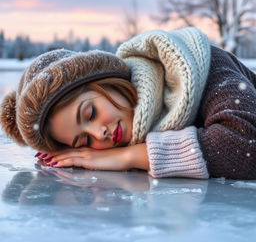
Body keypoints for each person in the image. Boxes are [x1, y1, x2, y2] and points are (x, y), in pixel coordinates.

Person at [0, 27, 255, 179]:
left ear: (107, 81)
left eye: (90, 113)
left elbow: (245, 145)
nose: (99, 133)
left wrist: (129, 156)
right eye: (84, 141)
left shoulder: (198, 64)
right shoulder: (141, 127)